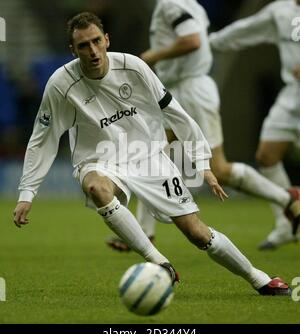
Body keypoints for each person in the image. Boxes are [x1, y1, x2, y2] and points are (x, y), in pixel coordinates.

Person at [13, 12, 292, 296]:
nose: (93, 51)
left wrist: (202, 163)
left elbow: (175, 112)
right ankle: (159, 263)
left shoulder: (134, 67)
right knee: (97, 187)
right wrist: (27, 193)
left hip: (149, 157)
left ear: (106, 40)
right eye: (84, 45)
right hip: (99, 160)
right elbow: (42, 139)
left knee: (197, 233)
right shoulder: (61, 85)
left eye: (97, 41)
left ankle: (258, 277)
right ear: (73, 50)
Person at [107, 0, 300, 252]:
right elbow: (225, 35)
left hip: (192, 90)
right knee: (155, 155)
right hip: (178, 88)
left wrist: (152, 56)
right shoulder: (192, 5)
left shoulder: (171, 5)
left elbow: (193, 41)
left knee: (217, 169)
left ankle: (288, 198)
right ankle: (145, 233)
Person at [209, 0, 300, 249]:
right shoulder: (282, 10)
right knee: (267, 155)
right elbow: (247, 29)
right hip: (292, 96)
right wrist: (211, 42)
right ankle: (287, 224)